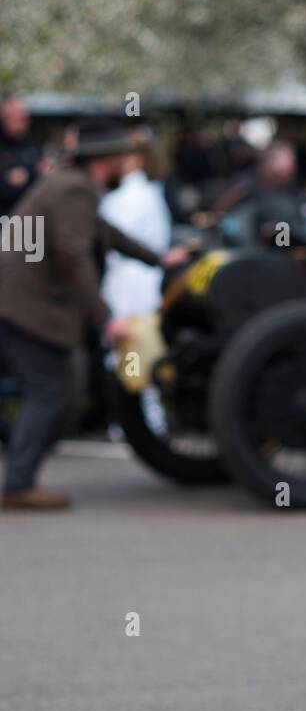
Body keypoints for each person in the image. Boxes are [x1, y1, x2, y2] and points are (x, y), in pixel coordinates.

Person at [0, 121, 186, 509]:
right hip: (25, 303)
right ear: (107, 160)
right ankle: (18, 483)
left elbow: (106, 234)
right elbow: (73, 254)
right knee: (49, 390)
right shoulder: (73, 189)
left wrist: (159, 260)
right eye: (123, 157)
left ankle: (21, 475)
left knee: (54, 388)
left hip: (21, 300)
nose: (128, 164)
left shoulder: (73, 186)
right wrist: (105, 317)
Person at [99, 128, 172, 316]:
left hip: (127, 295)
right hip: (147, 288)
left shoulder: (127, 197)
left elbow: (113, 244)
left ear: (136, 159)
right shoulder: (150, 191)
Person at [0, 94, 42, 215]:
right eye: (18, 119)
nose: (24, 123)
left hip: (28, 219)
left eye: (25, 118)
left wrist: (29, 174)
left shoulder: (33, 145)